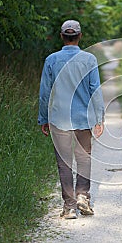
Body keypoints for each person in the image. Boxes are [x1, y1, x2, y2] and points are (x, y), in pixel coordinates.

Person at [38, 20, 105, 219]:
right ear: (79, 36)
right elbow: (96, 91)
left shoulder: (51, 60)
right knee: (84, 158)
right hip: (83, 119)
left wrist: (44, 118)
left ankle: (69, 207)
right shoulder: (89, 59)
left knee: (64, 162)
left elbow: (45, 93)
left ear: (62, 36)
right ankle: (83, 196)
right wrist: (99, 118)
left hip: (59, 119)